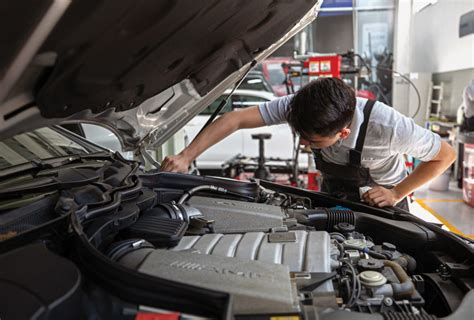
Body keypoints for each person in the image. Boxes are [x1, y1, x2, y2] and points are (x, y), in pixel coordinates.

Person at [161, 77, 456, 210]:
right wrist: (186, 156)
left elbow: (445, 155)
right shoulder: (300, 105)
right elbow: (235, 118)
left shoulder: (389, 127)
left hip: (385, 204)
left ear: (343, 133)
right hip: (334, 196)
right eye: (299, 134)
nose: (304, 143)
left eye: (312, 140)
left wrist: (396, 192)